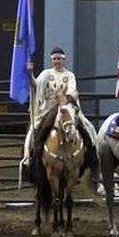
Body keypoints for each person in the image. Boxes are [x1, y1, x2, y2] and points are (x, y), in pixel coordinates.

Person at [17, 46, 97, 184]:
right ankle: (28, 158)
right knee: (34, 130)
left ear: (64, 60)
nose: (57, 61)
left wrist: (65, 98)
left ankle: (91, 156)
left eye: (59, 58)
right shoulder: (46, 74)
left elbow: (72, 90)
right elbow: (36, 85)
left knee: (87, 128)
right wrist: (30, 74)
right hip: (48, 110)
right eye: (54, 59)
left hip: (65, 108)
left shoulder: (69, 75)